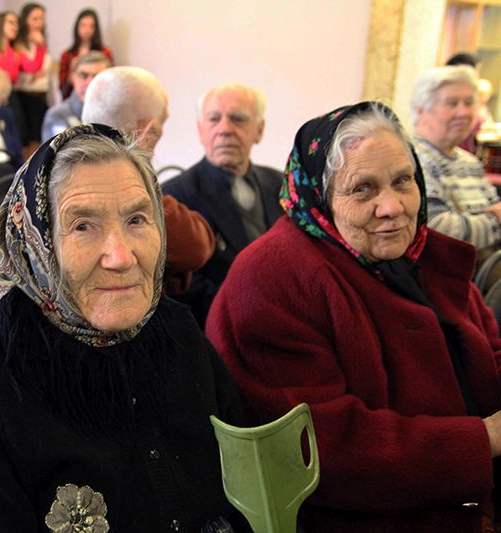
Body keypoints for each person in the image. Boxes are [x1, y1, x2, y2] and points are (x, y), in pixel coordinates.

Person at [0, 124, 246, 532]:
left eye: (137, 219)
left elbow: (245, 486)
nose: (121, 256)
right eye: (83, 225)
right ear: (37, 241)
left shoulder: (174, 327)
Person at [206, 101, 501, 532]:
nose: (393, 207)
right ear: (319, 196)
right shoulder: (272, 278)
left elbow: (488, 351)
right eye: (362, 189)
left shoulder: (420, 253)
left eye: (403, 181)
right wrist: (483, 439)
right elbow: (322, 448)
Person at [82, 66, 216, 295]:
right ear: (149, 131)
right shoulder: (126, 191)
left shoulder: (52, 171)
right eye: (161, 126)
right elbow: (196, 247)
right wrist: (139, 160)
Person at [161, 82, 283, 327]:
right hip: (218, 328)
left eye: (238, 119)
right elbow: (183, 285)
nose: (225, 129)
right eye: (214, 119)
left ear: (259, 130)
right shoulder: (174, 197)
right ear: (200, 130)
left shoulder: (280, 184)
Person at [411, 66, 501, 255]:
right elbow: (438, 231)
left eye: (469, 103)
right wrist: (494, 220)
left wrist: (472, 222)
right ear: (421, 111)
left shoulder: (470, 162)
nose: (464, 112)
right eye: (452, 103)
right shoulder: (411, 159)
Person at [11, 2, 53, 147]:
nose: (39, 23)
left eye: (41, 19)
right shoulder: (18, 44)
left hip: (41, 95)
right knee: (27, 141)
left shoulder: (42, 42)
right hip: (25, 97)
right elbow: (30, 69)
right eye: (35, 19)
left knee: (42, 139)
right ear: (25, 21)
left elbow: (44, 73)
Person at [41, 51, 109, 139]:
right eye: (84, 75)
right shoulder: (57, 115)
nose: (90, 82)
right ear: (73, 77)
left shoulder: (117, 113)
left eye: (97, 77)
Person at [58, 8, 113, 99]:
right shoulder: (67, 54)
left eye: (91, 26)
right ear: (77, 27)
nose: (86, 30)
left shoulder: (104, 52)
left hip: (99, 98)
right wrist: (74, 73)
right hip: (74, 98)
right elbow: (62, 85)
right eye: (83, 26)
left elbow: (111, 81)